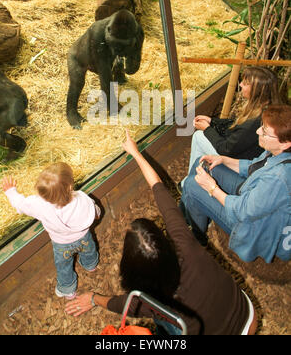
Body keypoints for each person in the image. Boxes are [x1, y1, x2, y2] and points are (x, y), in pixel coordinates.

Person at [65, 130, 257, 335]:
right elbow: (159, 189)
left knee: (165, 327)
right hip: (247, 316)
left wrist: (94, 299)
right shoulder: (186, 243)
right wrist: (136, 153)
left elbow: (122, 304)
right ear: (164, 243)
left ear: (135, 273)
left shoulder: (149, 300)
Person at [180, 104, 291, 263]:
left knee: (192, 186)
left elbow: (243, 211)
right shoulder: (278, 152)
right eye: (261, 127)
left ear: (285, 143)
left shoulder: (279, 178)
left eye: (265, 132)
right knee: (202, 163)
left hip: (253, 228)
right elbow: (253, 166)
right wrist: (224, 160)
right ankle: (187, 215)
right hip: (251, 193)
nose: (258, 131)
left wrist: (212, 188)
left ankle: (196, 242)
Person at [2, 162, 100, 299]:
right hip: (84, 237)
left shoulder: (39, 205)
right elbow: (94, 210)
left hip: (61, 245)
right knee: (89, 250)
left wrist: (11, 191)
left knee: (64, 266)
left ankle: (68, 290)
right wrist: (97, 213)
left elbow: (20, 204)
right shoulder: (80, 197)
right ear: (70, 186)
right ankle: (91, 265)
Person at [179, 67, 280, 191]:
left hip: (240, 162)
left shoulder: (254, 121)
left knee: (199, 137)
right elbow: (236, 126)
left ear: (257, 90)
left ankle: (188, 184)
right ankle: (193, 177)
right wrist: (212, 121)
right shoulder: (266, 108)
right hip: (248, 155)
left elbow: (225, 150)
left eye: (246, 83)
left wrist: (207, 129)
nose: (241, 84)